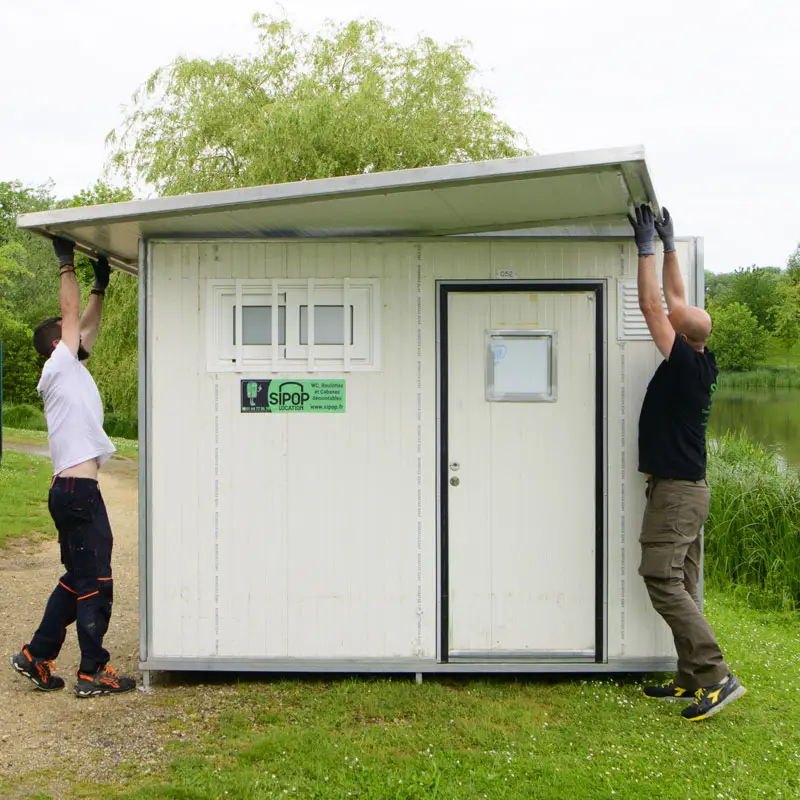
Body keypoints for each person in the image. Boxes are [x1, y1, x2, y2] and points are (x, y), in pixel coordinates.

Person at [627, 205, 745, 721]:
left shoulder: (682, 367)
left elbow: (655, 306)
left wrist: (645, 248)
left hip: (677, 493)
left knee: (660, 577)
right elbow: (675, 302)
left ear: (682, 336)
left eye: (675, 323)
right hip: (687, 489)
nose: (671, 319)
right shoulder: (701, 357)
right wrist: (672, 245)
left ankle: (717, 675)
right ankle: (689, 677)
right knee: (683, 582)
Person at [9, 237, 136, 698]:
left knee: (77, 579)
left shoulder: (73, 370)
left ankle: (36, 656)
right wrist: (67, 265)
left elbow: (86, 327)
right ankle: (92, 672)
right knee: (97, 582)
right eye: (71, 337)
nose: (81, 338)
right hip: (78, 493)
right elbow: (71, 320)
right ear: (58, 346)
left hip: (71, 491)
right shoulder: (57, 368)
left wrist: (100, 287)